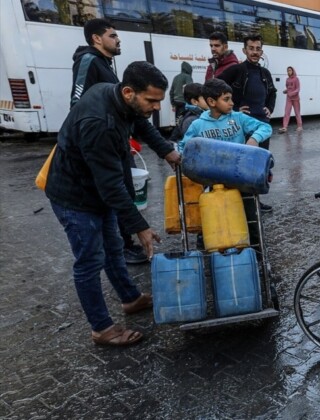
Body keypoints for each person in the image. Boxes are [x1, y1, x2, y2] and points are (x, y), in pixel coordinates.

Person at [46, 61, 181, 347]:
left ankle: (130, 298)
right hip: (76, 198)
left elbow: (141, 124)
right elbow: (111, 187)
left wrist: (167, 151)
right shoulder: (99, 123)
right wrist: (140, 227)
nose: (157, 107)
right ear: (130, 92)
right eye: (152, 100)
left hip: (97, 192)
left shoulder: (116, 96)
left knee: (113, 247)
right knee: (89, 261)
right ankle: (101, 328)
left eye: (159, 100)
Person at [70, 18, 180, 264]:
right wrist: (104, 136)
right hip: (98, 144)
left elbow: (136, 116)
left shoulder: (106, 65)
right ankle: (123, 245)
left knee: (125, 188)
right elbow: (77, 104)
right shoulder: (88, 62)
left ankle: (123, 245)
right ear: (96, 38)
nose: (118, 39)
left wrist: (164, 150)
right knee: (113, 189)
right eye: (112, 35)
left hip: (113, 139)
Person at [179, 79, 273, 245]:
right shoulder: (198, 125)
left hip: (241, 178)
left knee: (251, 216)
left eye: (231, 98)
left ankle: (257, 252)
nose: (232, 102)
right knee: (214, 218)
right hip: (213, 182)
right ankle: (213, 251)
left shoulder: (238, 118)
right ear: (211, 102)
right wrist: (180, 156)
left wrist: (254, 138)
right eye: (226, 99)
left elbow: (265, 127)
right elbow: (185, 147)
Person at [217, 35, 277, 212]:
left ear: (261, 52)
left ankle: (255, 202)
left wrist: (269, 108)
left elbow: (273, 92)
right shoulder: (237, 70)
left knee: (259, 166)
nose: (255, 52)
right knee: (242, 166)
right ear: (244, 50)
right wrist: (233, 108)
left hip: (262, 126)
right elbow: (214, 85)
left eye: (258, 49)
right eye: (251, 48)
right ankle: (241, 203)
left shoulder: (264, 73)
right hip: (243, 127)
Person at [280, 66, 302, 132]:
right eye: (288, 71)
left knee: (297, 113)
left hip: (295, 99)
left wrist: (292, 93)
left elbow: (298, 89)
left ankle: (300, 126)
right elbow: (288, 88)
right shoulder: (287, 79)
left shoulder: (296, 79)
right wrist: (285, 91)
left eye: (290, 70)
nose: (288, 72)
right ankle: (284, 127)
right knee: (286, 112)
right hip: (289, 98)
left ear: (293, 71)